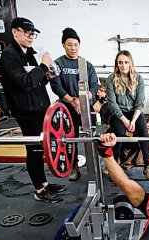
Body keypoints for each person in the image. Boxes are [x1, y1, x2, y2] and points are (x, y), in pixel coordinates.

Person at [1, 17, 66, 203]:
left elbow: (37, 80)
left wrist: (47, 74)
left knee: (42, 147)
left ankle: (44, 183)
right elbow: (25, 83)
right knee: (35, 150)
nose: (31, 37)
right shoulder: (9, 55)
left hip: (40, 108)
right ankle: (39, 190)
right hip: (26, 111)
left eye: (33, 34)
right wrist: (43, 65)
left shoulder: (29, 53)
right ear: (15, 32)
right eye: (27, 33)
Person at [50, 27, 99, 181]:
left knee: (90, 137)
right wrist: (72, 101)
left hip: (85, 107)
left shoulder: (86, 64)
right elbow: (56, 86)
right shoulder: (58, 64)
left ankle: (94, 166)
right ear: (63, 45)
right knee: (70, 139)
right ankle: (73, 166)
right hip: (67, 108)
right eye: (70, 44)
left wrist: (82, 101)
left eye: (76, 44)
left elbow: (94, 86)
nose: (73, 48)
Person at [106, 50, 149, 180]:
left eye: (126, 62)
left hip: (135, 113)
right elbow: (112, 104)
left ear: (131, 63)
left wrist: (133, 121)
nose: (123, 65)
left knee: (143, 130)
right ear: (117, 64)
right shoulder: (111, 79)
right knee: (118, 132)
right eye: (120, 62)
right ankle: (114, 164)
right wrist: (125, 121)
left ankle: (147, 165)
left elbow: (140, 103)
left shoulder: (138, 79)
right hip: (118, 114)